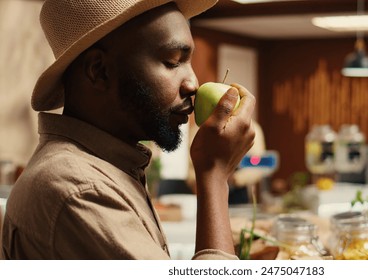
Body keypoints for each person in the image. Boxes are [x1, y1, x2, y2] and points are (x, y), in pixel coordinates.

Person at [1, 0, 256, 260]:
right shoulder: (78, 189)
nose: (193, 84)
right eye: (172, 61)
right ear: (99, 71)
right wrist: (214, 176)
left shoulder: (109, 169)